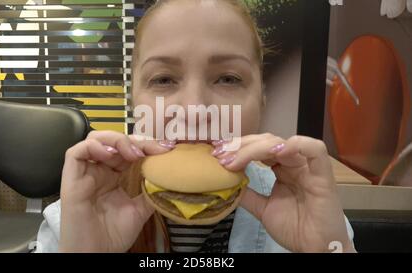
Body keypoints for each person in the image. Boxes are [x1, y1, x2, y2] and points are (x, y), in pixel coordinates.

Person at [35, 0, 355, 253]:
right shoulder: (74, 219)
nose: (194, 110)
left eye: (228, 79)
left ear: (262, 101)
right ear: (135, 100)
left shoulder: (311, 215)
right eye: (163, 79)